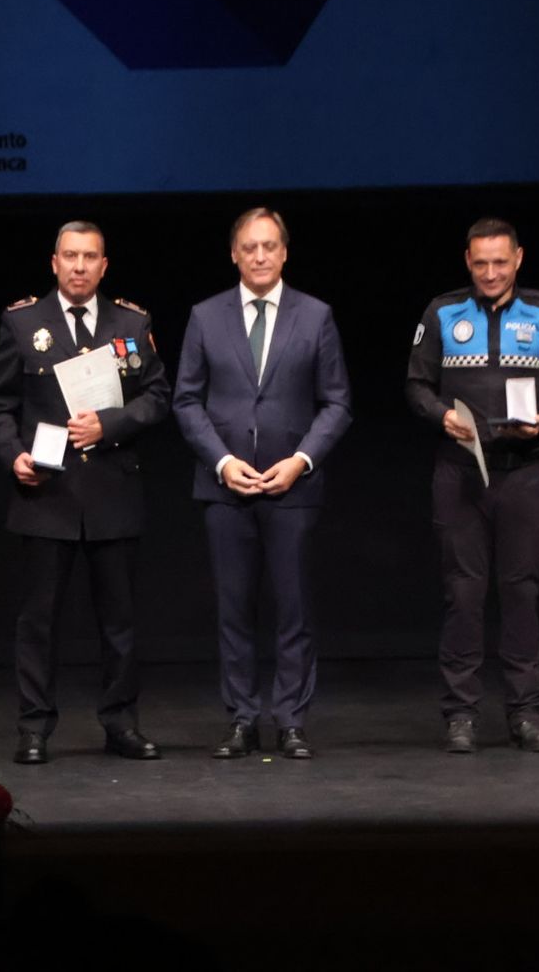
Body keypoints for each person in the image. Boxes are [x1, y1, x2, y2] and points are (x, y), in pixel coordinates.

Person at [0, 220, 169, 765]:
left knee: (120, 623)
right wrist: (11, 453)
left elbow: (158, 396)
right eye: (71, 256)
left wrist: (108, 426)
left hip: (112, 491)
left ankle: (121, 723)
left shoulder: (131, 321)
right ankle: (35, 727)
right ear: (54, 262)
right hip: (47, 494)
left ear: (104, 265)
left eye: (90, 257)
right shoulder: (22, 322)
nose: (80, 266)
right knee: (38, 622)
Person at [172, 208, 351, 760]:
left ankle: (291, 719)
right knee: (233, 609)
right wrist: (223, 462)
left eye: (269, 246)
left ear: (285, 252)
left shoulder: (316, 315)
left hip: (291, 487)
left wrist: (301, 460)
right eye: (249, 247)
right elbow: (185, 400)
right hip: (225, 487)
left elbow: (338, 402)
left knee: (293, 608)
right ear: (234, 254)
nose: (259, 256)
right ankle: (242, 719)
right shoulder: (205, 316)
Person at [405, 218, 539, 754]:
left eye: (500, 262)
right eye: (480, 263)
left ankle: (526, 712)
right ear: (467, 260)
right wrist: (441, 417)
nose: (490, 272)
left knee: (521, 594)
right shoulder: (442, 311)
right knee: (463, 594)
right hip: (459, 473)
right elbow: (416, 385)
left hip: (524, 473)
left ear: (519, 258)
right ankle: (460, 714)